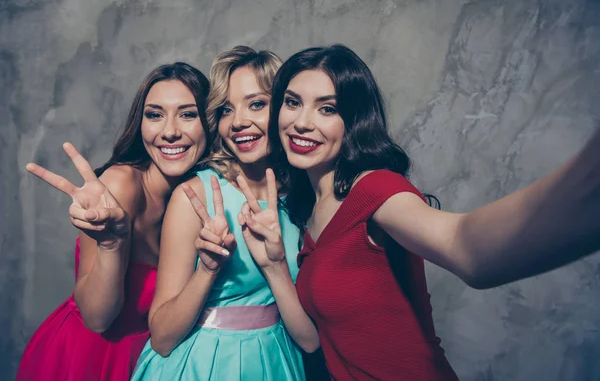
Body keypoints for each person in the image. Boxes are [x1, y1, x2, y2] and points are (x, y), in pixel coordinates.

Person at [237, 44, 600, 380]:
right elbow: (314, 341)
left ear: (354, 121)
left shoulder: (374, 188)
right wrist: (273, 264)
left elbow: (465, 245)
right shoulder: (307, 213)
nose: (302, 121)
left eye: (327, 108)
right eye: (292, 102)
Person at [17, 62, 211, 381]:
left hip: (153, 359)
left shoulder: (204, 195)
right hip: (87, 358)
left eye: (188, 114)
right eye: (155, 114)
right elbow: (97, 318)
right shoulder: (121, 186)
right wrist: (111, 245)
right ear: (140, 123)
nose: (170, 130)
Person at [132, 46, 308, 380]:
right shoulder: (195, 195)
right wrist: (208, 269)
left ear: (286, 109)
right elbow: (163, 337)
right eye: (226, 110)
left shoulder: (303, 197)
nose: (239, 121)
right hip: (201, 365)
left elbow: (312, 335)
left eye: (256, 104)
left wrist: (275, 266)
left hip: (277, 363)